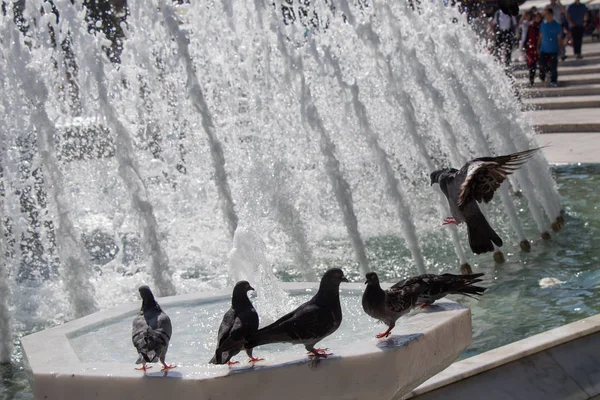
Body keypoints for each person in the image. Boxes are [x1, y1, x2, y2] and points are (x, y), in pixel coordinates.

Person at [539, 6, 564, 87]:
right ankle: (544, 76)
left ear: (551, 14)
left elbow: (559, 38)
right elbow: (540, 36)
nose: (545, 16)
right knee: (542, 65)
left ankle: (553, 81)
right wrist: (537, 46)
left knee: (554, 66)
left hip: (553, 49)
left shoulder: (557, 25)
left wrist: (561, 48)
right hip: (544, 49)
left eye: (546, 14)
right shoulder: (543, 25)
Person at [526, 11, 542, 86]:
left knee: (543, 63)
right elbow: (527, 37)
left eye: (538, 17)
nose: (537, 19)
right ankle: (531, 80)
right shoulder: (531, 26)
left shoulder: (542, 25)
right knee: (532, 65)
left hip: (541, 47)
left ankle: (543, 77)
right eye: (536, 17)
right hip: (532, 49)